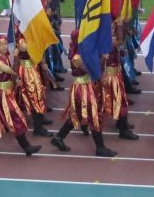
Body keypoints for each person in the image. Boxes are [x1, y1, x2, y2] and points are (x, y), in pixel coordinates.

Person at [50, 29, 118, 157]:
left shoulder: (83, 52)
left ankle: (59, 137)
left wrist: (101, 58)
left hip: (87, 85)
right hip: (81, 88)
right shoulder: (76, 57)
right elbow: (90, 69)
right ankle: (100, 147)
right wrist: (101, 59)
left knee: (79, 115)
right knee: (93, 115)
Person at [0, 36, 41, 156]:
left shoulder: (4, 56)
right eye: (1, 45)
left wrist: (16, 81)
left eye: (5, 44)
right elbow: (12, 70)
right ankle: (26, 147)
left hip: (6, 92)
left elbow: (12, 75)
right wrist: (16, 56)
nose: (4, 46)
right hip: (2, 94)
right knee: (16, 117)